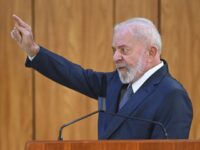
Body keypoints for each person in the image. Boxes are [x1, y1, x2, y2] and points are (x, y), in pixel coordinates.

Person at [11, 14, 193, 139]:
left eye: (124, 50)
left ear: (151, 52)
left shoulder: (172, 95)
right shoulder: (116, 82)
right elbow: (75, 75)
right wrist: (34, 51)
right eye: (114, 50)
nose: (115, 57)